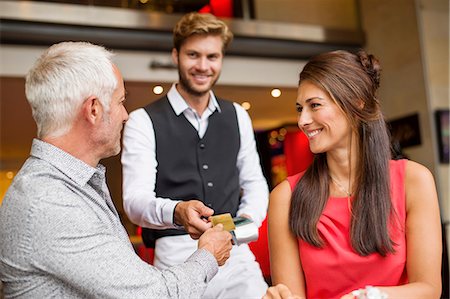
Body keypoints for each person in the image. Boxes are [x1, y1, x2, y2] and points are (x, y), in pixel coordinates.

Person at [0, 41, 233, 298]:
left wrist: (177, 213)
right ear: (94, 110)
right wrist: (209, 254)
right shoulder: (49, 201)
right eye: (121, 101)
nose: (125, 115)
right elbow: (156, 295)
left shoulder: (65, 186)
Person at [266, 50, 442, 299]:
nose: (303, 120)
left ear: (357, 102)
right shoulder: (285, 196)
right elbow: (291, 294)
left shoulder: (414, 180)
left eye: (315, 105)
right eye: (299, 108)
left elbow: (429, 289)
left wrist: (371, 297)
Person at [121, 12, 269, 298]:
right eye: (193, 55)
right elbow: (134, 201)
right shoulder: (143, 120)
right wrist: (177, 212)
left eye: (212, 57)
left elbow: (254, 183)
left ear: (221, 59)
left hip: (235, 253)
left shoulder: (237, 115)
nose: (203, 66)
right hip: (175, 256)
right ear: (176, 55)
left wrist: (241, 226)